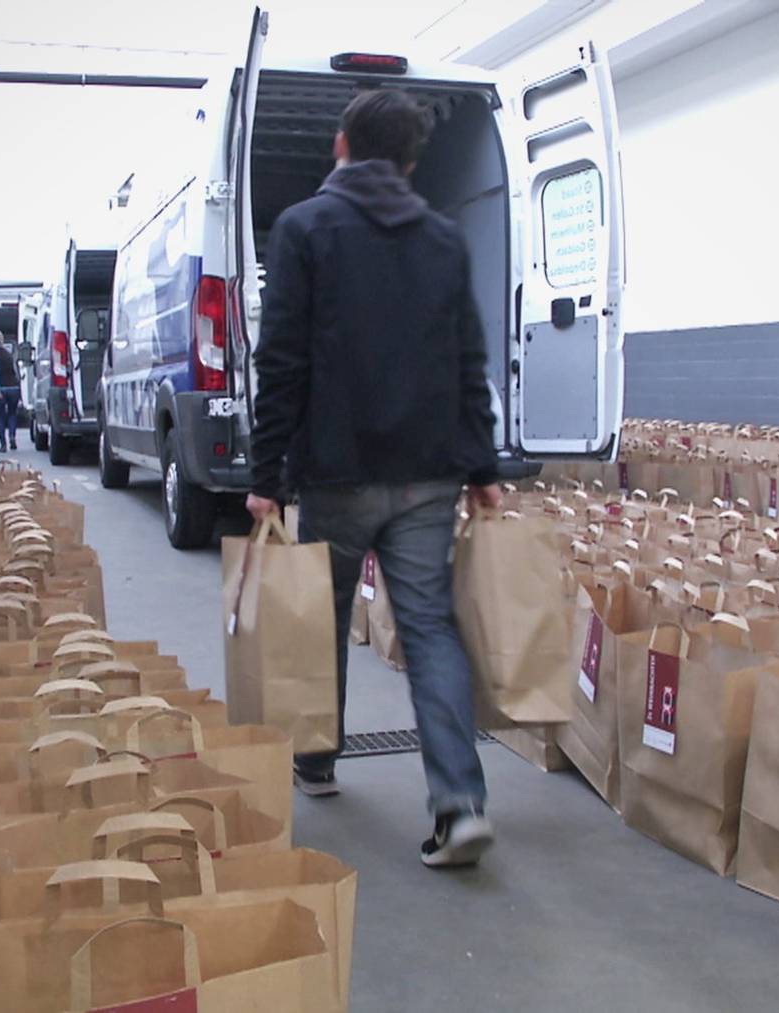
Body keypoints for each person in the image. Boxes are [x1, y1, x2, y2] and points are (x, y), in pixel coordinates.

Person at [246, 88, 501, 869]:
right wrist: (483, 466)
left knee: (320, 619)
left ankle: (318, 760)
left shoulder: (304, 229)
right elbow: (469, 362)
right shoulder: (444, 238)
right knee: (428, 628)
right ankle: (458, 803)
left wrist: (266, 474)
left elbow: (282, 360)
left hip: (338, 471)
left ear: (340, 145)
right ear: (413, 162)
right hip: (429, 475)